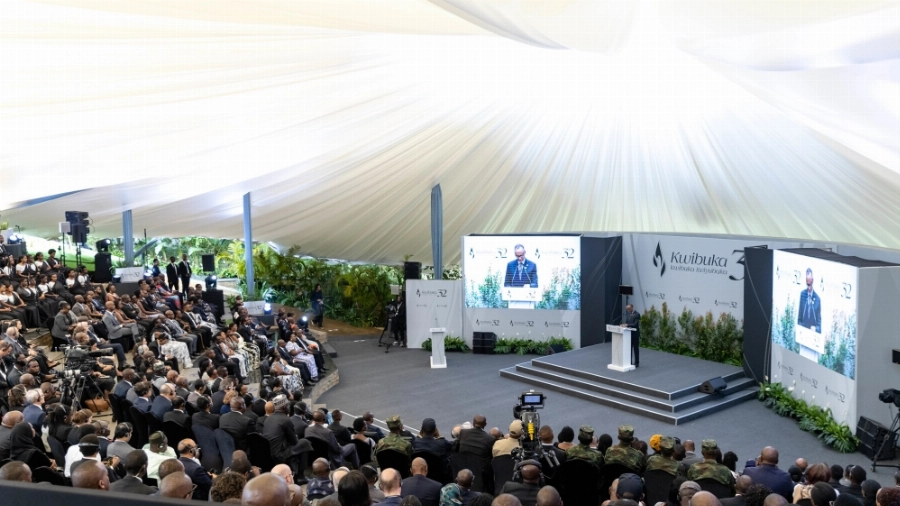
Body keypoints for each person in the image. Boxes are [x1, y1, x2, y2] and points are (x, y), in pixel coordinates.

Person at [262, 395, 314, 482]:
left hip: (269, 453)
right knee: (305, 443)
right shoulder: (286, 420)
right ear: (285, 407)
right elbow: (294, 441)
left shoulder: (268, 418)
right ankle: (301, 476)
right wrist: (295, 436)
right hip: (280, 454)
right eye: (289, 406)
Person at [798, 268, 822, 333]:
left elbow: (819, 324)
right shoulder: (802, 294)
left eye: (810, 284)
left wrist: (816, 329)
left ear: (813, 281)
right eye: (807, 284)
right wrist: (800, 328)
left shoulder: (817, 299)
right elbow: (799, 318)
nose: (808, 287)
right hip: (803, 333)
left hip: (813, 334)